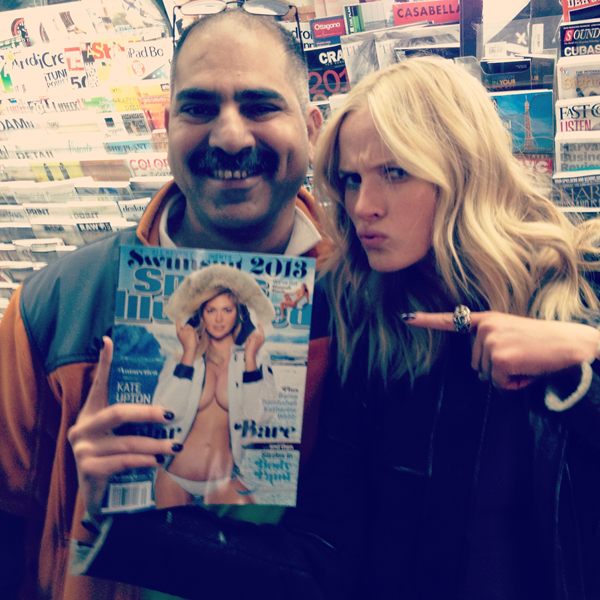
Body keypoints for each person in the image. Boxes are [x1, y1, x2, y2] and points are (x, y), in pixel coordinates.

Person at [0, 9, 330, 600]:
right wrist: (87, 495)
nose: (230, 136)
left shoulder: (367, 311)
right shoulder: (54, 307)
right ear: (167, 127)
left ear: (312, 129)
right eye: (199, 108)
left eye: (260, 106)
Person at [311, 56, 600, 598]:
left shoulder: (578, 285)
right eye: (351, 180)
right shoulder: (360, 315)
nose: (363, 206)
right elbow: (330, 542)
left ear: (462, 170)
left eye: (394, 172)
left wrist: (587, 356)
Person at [151, 265, 276, 507]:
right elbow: (164, 413)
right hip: (175, 476)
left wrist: (251, 359)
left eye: (227, 310)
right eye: (211, 310)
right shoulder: (183, 359)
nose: (219, 319)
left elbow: (258, 419)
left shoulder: (256, 359)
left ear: (239, 313)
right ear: (201, 315)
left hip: (226, 478)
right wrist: (188, 354)